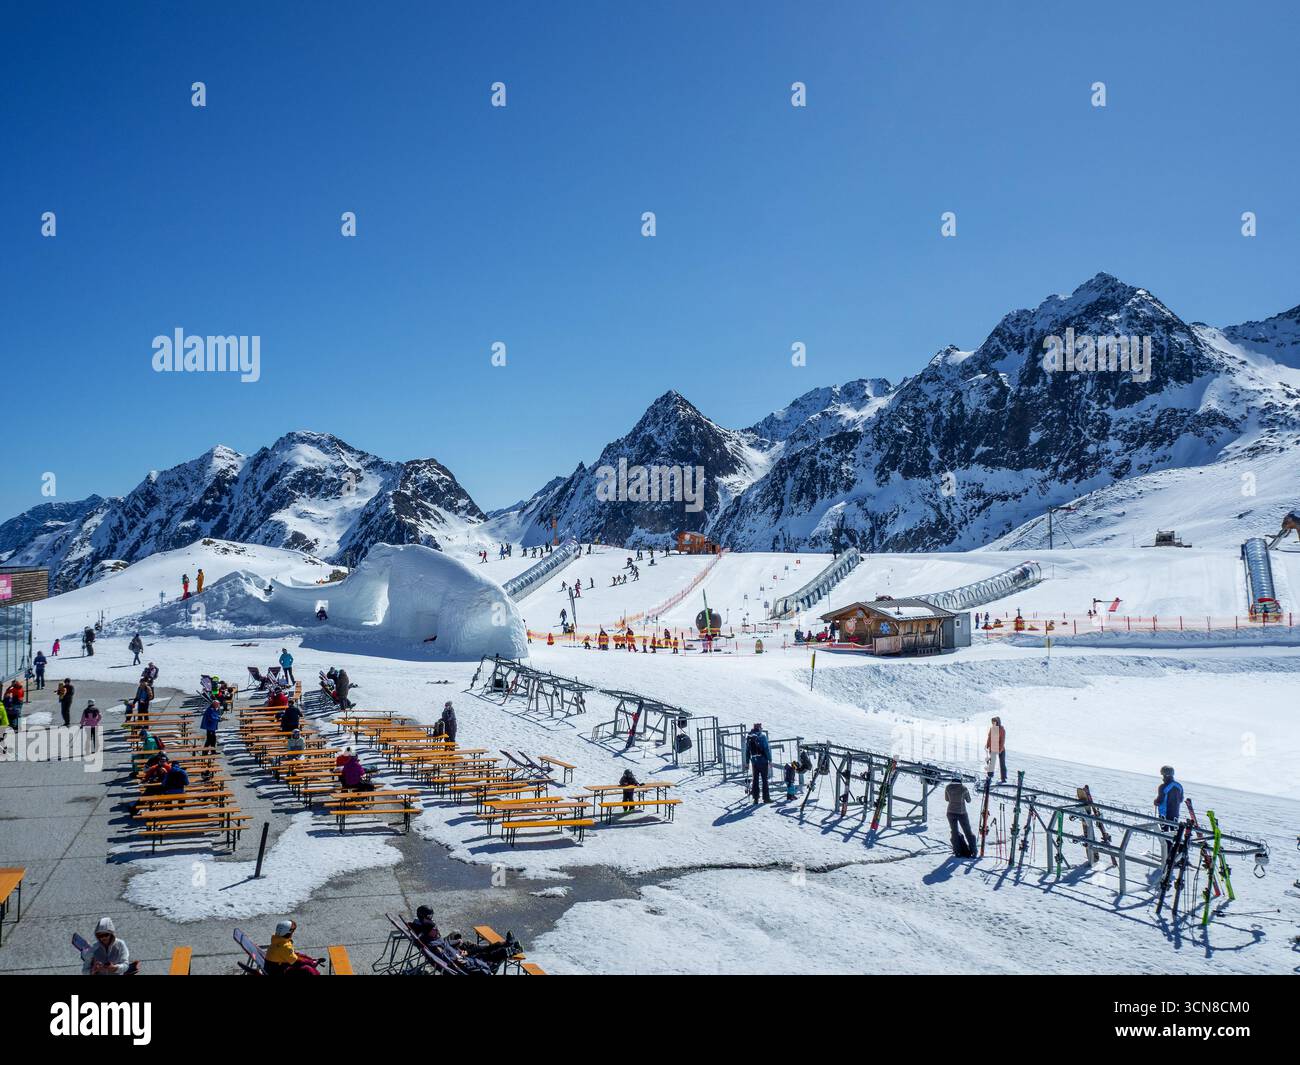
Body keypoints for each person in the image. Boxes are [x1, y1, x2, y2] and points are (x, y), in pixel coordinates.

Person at [944, 777, 978, 857]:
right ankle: (973, 851)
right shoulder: (964, 788)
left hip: (950, 812)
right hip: (961, 812)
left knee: (954, 832)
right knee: (968, 832)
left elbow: (946, 799)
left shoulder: (948, 787)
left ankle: (957, 851)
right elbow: (968, 800)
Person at [744, 722, 771, 804]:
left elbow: (747, 751)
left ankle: (755, 798)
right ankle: (766, 798)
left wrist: (747, 762)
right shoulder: (763, 737)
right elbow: (766, 749)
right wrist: (770, 760)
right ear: (759, 728)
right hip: (763, 761)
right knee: (764, 780)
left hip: (754, 762)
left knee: (755, 780)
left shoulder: (749, 737)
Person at [985, 716, 1007, 785]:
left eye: (994, 722)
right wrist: (987, 745)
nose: (993, 723)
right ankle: (990, 776)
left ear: (998, 722)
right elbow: (989, 738)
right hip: (993, 748)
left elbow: (1002, 741)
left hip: (1001, 749)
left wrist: (1000, 750)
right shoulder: (992, 729)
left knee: (1002, 763)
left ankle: (1003, 778)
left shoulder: (1002, 730)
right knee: (992, 763)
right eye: (992, 722)